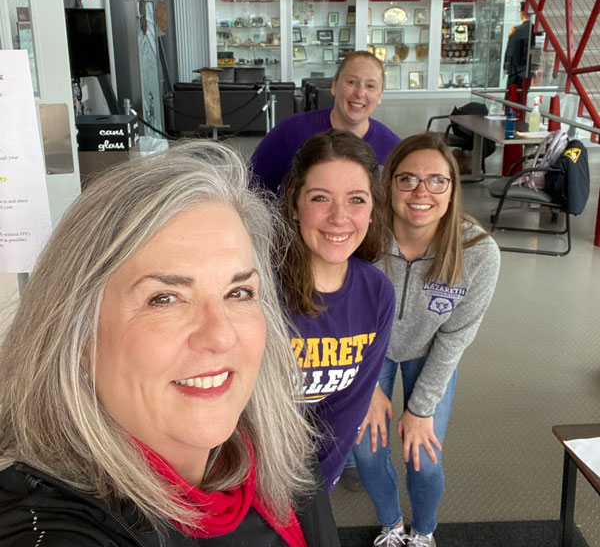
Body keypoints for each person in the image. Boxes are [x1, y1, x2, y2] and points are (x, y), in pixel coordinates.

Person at [0, 142, 340, 546]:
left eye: (239, 292)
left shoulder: (279, 443)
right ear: (77, 335)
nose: (221, 335)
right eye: (164, 298)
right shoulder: (49, 525)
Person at [352, 133, 501, 547]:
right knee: (365, 449)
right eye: (408, 180)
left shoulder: (478, 252)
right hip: (369, 350)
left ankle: (424, 531)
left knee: (424, 455)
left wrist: (419, 409)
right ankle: (392, 524)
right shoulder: (361, 239)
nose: (422, 192)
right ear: (389, 185)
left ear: (453, 189)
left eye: (437, 181)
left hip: (431, 351)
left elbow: (455, 337)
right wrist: (365, 385)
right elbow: (344, 313)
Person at [279, 128, 396, 493]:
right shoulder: (258, 287)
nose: (339, 217)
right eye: (320, 198)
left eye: (357, 200)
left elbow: (345, 414)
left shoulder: (377, 294)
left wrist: (315, 494)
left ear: (374, 210)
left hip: (310, 481)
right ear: (295, 205)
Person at [250, 50, 400, 192]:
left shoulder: (394, 149)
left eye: (370, 86)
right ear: (334, 86)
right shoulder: (290, 132)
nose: (360, 93)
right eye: (351, 82)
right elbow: (253, 190)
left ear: (380, 95)